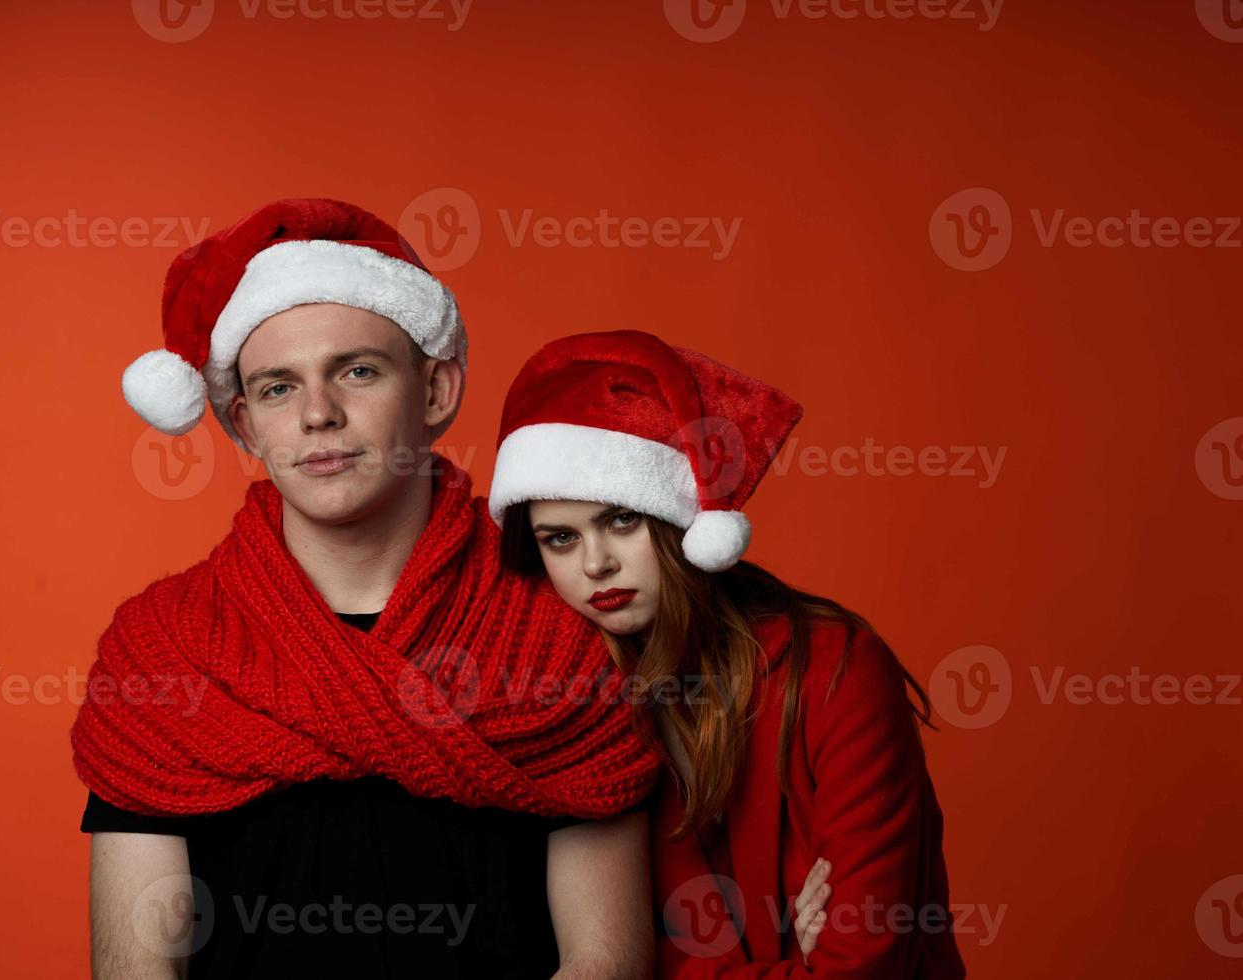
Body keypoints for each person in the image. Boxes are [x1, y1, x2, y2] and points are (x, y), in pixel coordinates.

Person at [70, 201, 661, 979]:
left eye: (357, 370)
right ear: (245, 424)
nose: (319, 414)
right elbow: (138, 973)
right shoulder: (162, 648)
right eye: (279, 388)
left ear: (438, 391)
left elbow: (606, 964)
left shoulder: (561, 623)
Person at [489, 329, 966, 978]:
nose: (596, 563)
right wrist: (802, 961)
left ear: (680, 516)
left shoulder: (835, 670)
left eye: (622, 520)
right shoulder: (568, 704)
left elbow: (864, 963)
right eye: (560, 538)